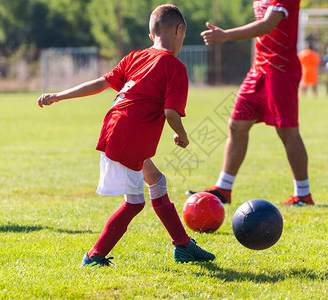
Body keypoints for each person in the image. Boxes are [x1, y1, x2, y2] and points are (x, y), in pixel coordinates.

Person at [37, 4, 215, 266]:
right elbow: (170, 112)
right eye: (183, 36)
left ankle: (183, 245)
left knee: (156, 180)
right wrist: (182, 136)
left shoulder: (136, 56)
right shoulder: (174, 67)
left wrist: (58, 96)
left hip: (115, 126)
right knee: (134, 203)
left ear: (151, 35)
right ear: (179, 30)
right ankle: (94, 256)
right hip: (130, 135)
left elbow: (101, 83)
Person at [190, 0, 314, 206]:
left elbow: (267, 25)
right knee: (236, 126)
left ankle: (303, 195)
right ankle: (223, 189)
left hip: (281, 70)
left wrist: (226, 35)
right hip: (257, 70)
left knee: (287, 131)